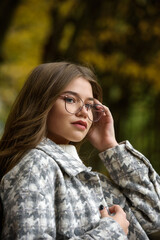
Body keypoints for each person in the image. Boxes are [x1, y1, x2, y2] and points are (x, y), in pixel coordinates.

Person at [0, 62, 160, 240]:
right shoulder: (35, 166)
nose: (84, 112)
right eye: (70, 99)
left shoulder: (85, 179)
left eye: (90, 105)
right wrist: (111, 232)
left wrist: (110, 146)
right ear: (41, 102)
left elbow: (154, 215)